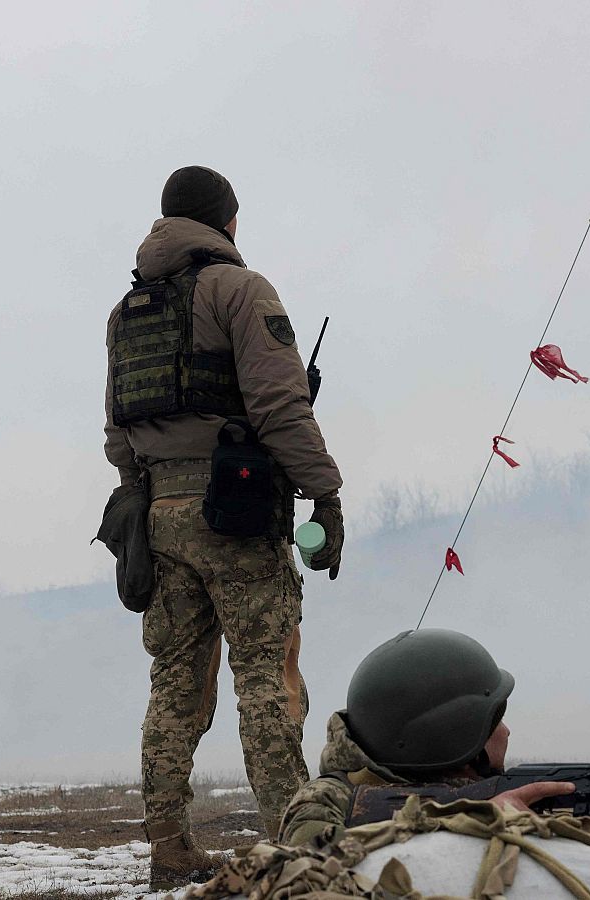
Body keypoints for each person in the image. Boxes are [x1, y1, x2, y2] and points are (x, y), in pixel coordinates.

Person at [103, 165, 346, 889]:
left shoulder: (126, 311)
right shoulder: (241, 290)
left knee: (174, 683)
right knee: (265, 675)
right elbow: (279, 407)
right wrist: (324, 495)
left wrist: (147, 493)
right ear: (227, 222)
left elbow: (118, 431)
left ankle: (169, 847)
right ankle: (292, 844)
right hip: (235, 511)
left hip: (156, 513)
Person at [278, 629, 590, 859]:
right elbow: (310, 865)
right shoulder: (329, 800)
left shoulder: (490, 790)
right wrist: (474, 820)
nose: (506, 734)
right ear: (452, 740)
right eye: (494, 722)